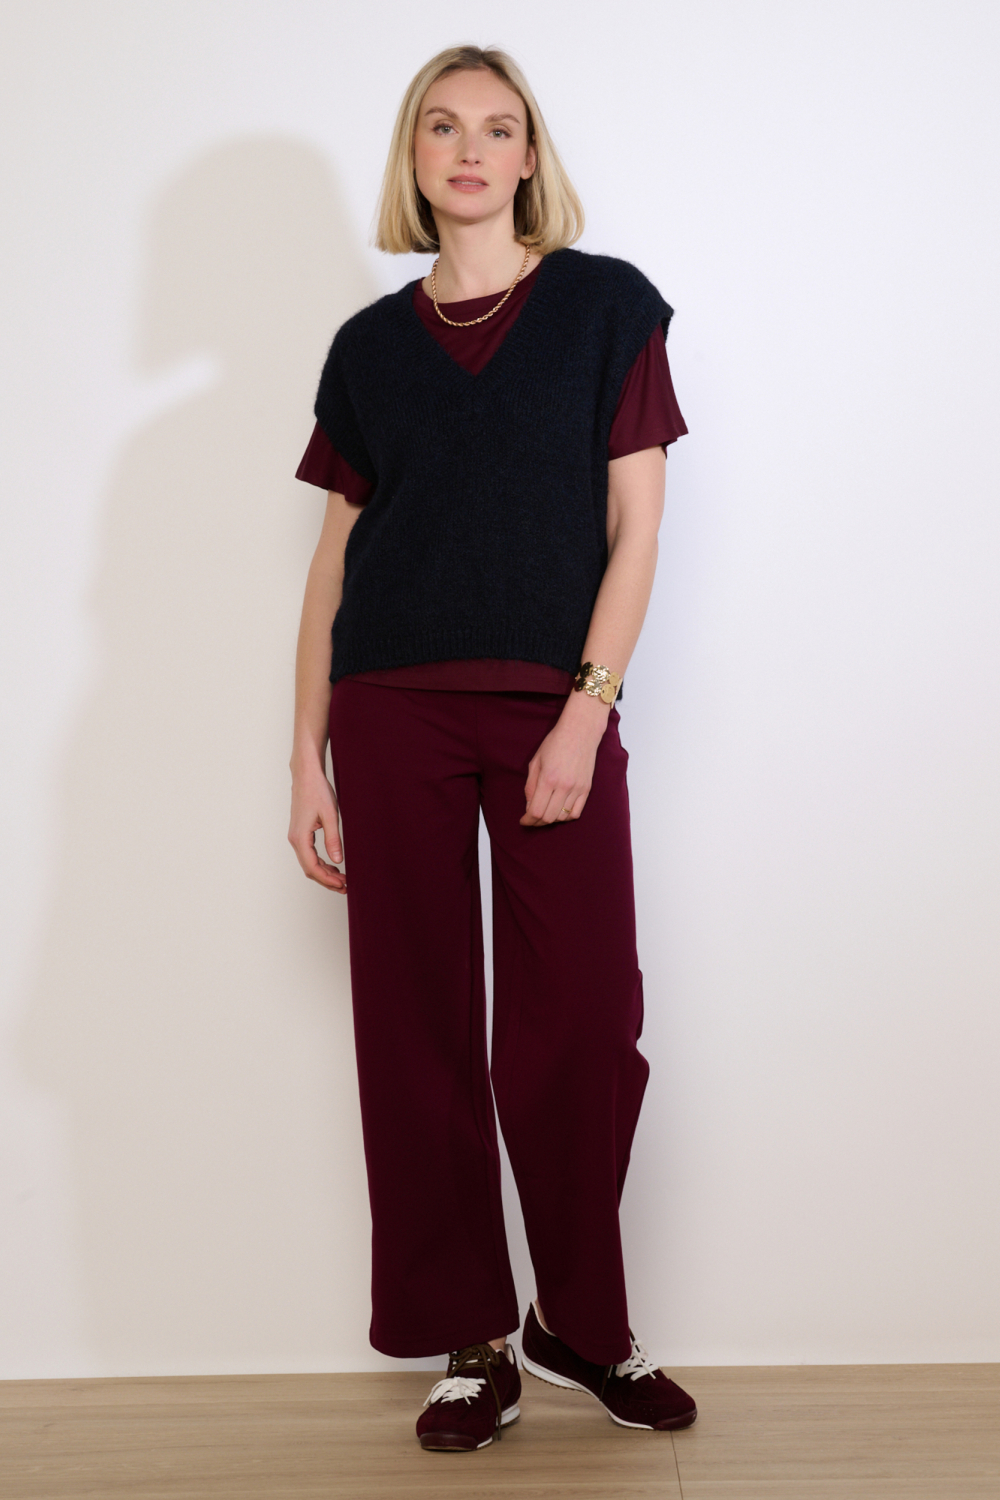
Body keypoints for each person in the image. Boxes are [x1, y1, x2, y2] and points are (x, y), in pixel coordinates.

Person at [289, 43, 697, 1452]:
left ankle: (581, 1323)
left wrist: (588, 706)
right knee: (415, 1030)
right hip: (388, 706)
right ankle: (472, 1342)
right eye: (443, 127)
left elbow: (638, 527)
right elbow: (333, 565)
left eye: (498, 128)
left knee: (580, 1023)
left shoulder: (605, 307)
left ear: (531, 157)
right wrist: (304, 759)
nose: (470, 150)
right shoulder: (366, 350)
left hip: (547, 706)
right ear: (415, 157)